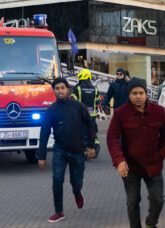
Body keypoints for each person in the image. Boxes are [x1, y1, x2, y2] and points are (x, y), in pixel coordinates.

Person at [107, 78, 165, 228]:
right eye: (134, 93)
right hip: (130, 167)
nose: (138, 96)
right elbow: (112, 138)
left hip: (153, 165)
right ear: (129, 95)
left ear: (146, 93)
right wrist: (119, 160)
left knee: (158, 199)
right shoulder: (120, 113)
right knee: (133, 202)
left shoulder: (158, 111)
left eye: (141, 93)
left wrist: (161, 153)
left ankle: (151, 223)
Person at [38, 78, 96, 223]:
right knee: (57, 180)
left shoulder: (78, 106)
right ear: (54, 91)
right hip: (60, 151)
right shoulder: (51, 110)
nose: (60, 91)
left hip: (78, 151)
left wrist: (91, 146)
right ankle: (59, 212)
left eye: (62, 88)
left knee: (76, 183)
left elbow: (90, 125)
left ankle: (77, 192)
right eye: (57, 88)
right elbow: (44, 132)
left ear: (67, 89)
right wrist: (42, 156)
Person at [71, 69, 101, 157]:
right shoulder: (95, 89)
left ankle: (84, 153)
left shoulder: (78, 88)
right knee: (92, 132)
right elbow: (98, 102)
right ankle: (96, 148)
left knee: (83, 133)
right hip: (93, 116)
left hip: (82, 116)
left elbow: (73, 101)